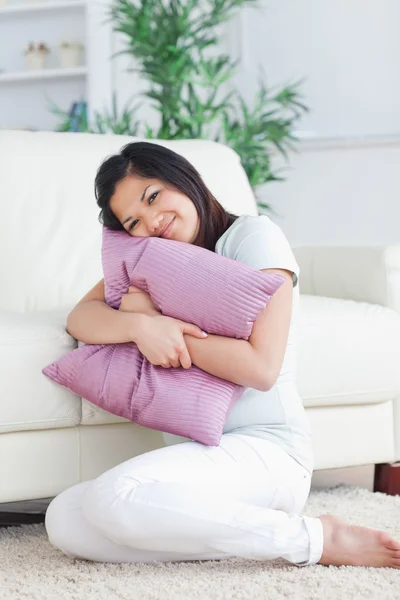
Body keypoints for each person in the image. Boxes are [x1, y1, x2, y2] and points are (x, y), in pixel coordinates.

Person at [45, 141, 400, 569]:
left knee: (112, 497)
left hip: (268, 454)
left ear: (183, 177)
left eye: (153, 195)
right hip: (201, 460)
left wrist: (169, 332)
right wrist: (142, 327)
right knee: (64, 518)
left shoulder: (251, 237)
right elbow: (80, 317)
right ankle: (252, 531)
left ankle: (314, 539)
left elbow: (261, 367)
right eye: (133, 221)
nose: (152, 221)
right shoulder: (150, 260)